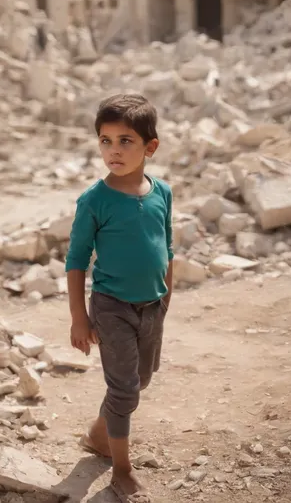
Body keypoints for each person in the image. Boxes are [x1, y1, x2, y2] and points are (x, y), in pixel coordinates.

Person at [65, 94, 173, 503]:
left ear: (150, 147)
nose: (113, 150)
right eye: (105, 140)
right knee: (125, 388)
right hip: (111, 306)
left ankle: (97, 433)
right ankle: (121, 471)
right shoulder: (95, 200)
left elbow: (168, 246)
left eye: (125, 140)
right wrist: (79, 318)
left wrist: (166, 298)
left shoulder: (162, 192)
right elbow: (76, 261)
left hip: (153, 305)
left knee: (140, 380)